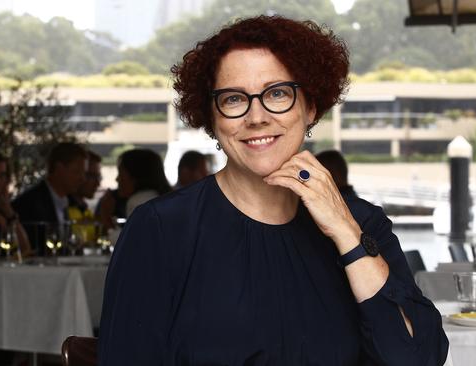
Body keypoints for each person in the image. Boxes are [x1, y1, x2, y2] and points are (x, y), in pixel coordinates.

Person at [99, 15, 448, 365]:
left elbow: (419, 358)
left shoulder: (362, 224)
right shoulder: (160, 229)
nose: (257, 117)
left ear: (310, 107)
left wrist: (345, 231)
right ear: (212, 118)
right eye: (234, 99)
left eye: (277, 93)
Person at [12, 142, 87, 254]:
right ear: (59, 169)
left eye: (83, 173)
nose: (82, 179)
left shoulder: (73, 203)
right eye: (77, 172)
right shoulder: (28, 203)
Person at [96, 149, 171, 228]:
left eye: (121, 174)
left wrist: (106, 218)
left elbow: (133, 239)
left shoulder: (139, 202)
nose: (117, 179)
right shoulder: (160, 199)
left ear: (135, 177)